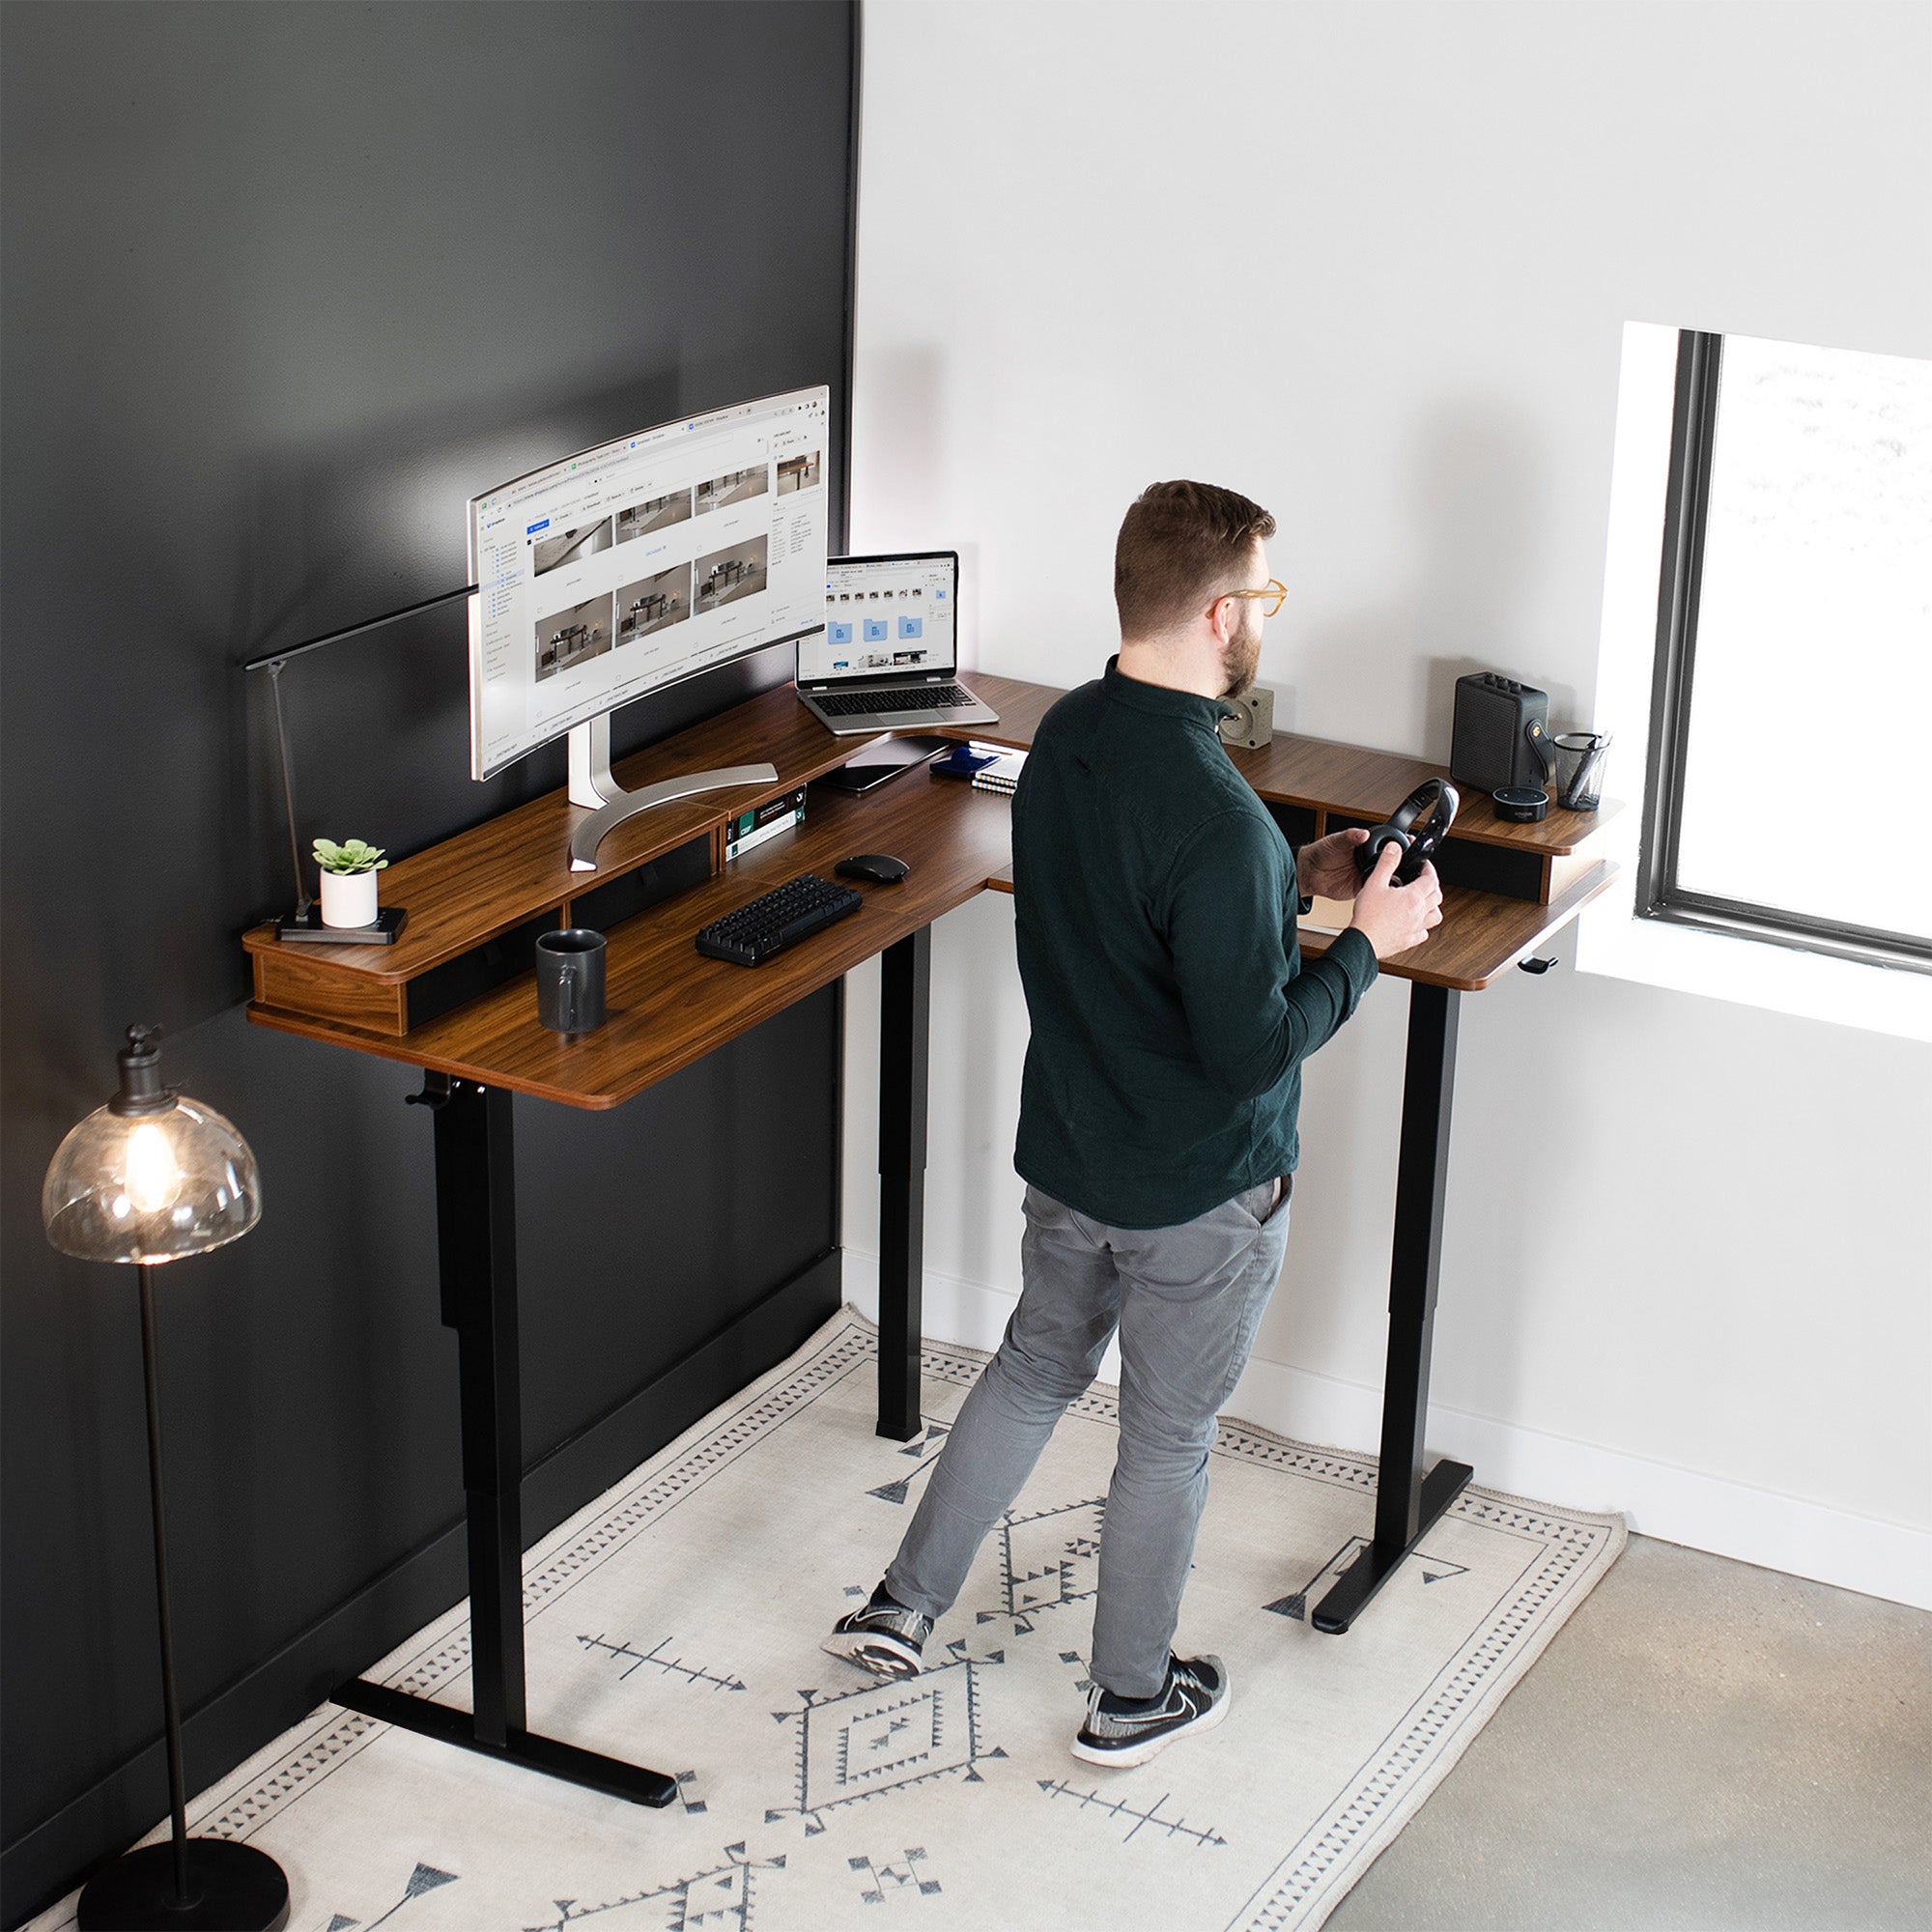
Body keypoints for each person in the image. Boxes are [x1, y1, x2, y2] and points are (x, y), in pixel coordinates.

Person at [824, 480, 1442, 1767]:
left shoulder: (1068, 738)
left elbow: (1144, 919)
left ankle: (901, 1607)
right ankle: (1129, 1695)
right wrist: (1369, 943)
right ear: (1224, 614)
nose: (1264, 615)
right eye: (1263, 596)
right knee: (1165, 1435)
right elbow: (1251, 1045)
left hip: (1072, 1153)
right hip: (1198, 1195)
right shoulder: (1220, 821)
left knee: (1035, 1367)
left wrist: (1293, 885)